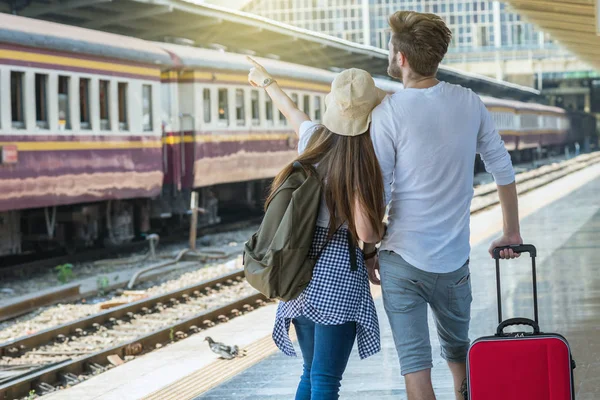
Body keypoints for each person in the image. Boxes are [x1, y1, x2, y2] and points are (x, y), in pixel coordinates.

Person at [367, 11, 523, 400]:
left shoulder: (388, 113)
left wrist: (369, 248)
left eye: (391, 47)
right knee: (459, 356)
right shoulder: (468, 102)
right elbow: (501, 166)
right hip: (454, 262)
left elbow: (379, 192)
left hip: (401, 260)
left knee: (415, 370)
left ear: (401, 58)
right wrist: (512, 231)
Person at [247, 57, 386, 400]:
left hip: (299, 273)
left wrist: (266, 82)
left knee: (311, 374)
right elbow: (366, 233)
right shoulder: (361, 158)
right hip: (338, 276)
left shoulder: (315, 139)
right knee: (326, 380)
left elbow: (292, 113)